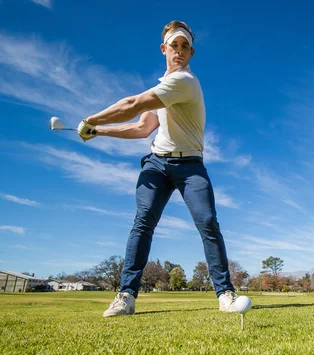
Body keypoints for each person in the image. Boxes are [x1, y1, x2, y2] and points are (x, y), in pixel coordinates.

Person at [77, 21, 238, 316]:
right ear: (164, 49)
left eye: (184, 46)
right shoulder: (163, 86)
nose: (179, 51)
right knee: (143, 222)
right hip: (157, 162)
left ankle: (225, 293)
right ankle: (126, 295)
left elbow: (133, 103)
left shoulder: (185, 82)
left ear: (191, 52)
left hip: (190, 163)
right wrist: (101, 133)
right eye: (173, 46)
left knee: (207, 221)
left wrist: (92, 120)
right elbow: (143, 127)